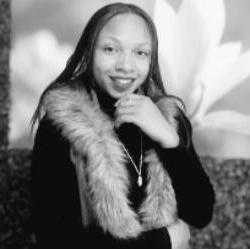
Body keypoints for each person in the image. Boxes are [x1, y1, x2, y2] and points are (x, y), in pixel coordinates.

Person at [30, 2, 215, 249]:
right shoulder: (60, 126)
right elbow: (55, 238)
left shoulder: (167, 117)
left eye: (141, 53)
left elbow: (200, 213)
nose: (126, 66)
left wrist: (169, 139)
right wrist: (164, 241)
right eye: (110, 49)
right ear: (88, 52)